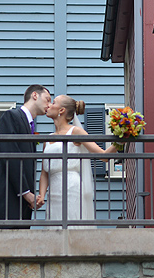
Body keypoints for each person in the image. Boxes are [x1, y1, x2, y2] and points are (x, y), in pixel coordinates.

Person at [37, 95, 116, 227]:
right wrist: (42, 195)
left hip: (71, 189)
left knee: (72, 227)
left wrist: (121, 140)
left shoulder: (76, 132)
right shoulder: (48, 139)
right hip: (53, 193)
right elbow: (44, 172)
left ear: (61, 110)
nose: (49, 105)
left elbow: (103, 156)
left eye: (53, 102)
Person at [0, 84, 52, 221]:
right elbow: (9, 155)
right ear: (34, 95)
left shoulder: (29, 125)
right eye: (47, 99)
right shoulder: (11, 116)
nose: (49, 105)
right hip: (6, 195)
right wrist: (26, 193)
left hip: (22, 202)